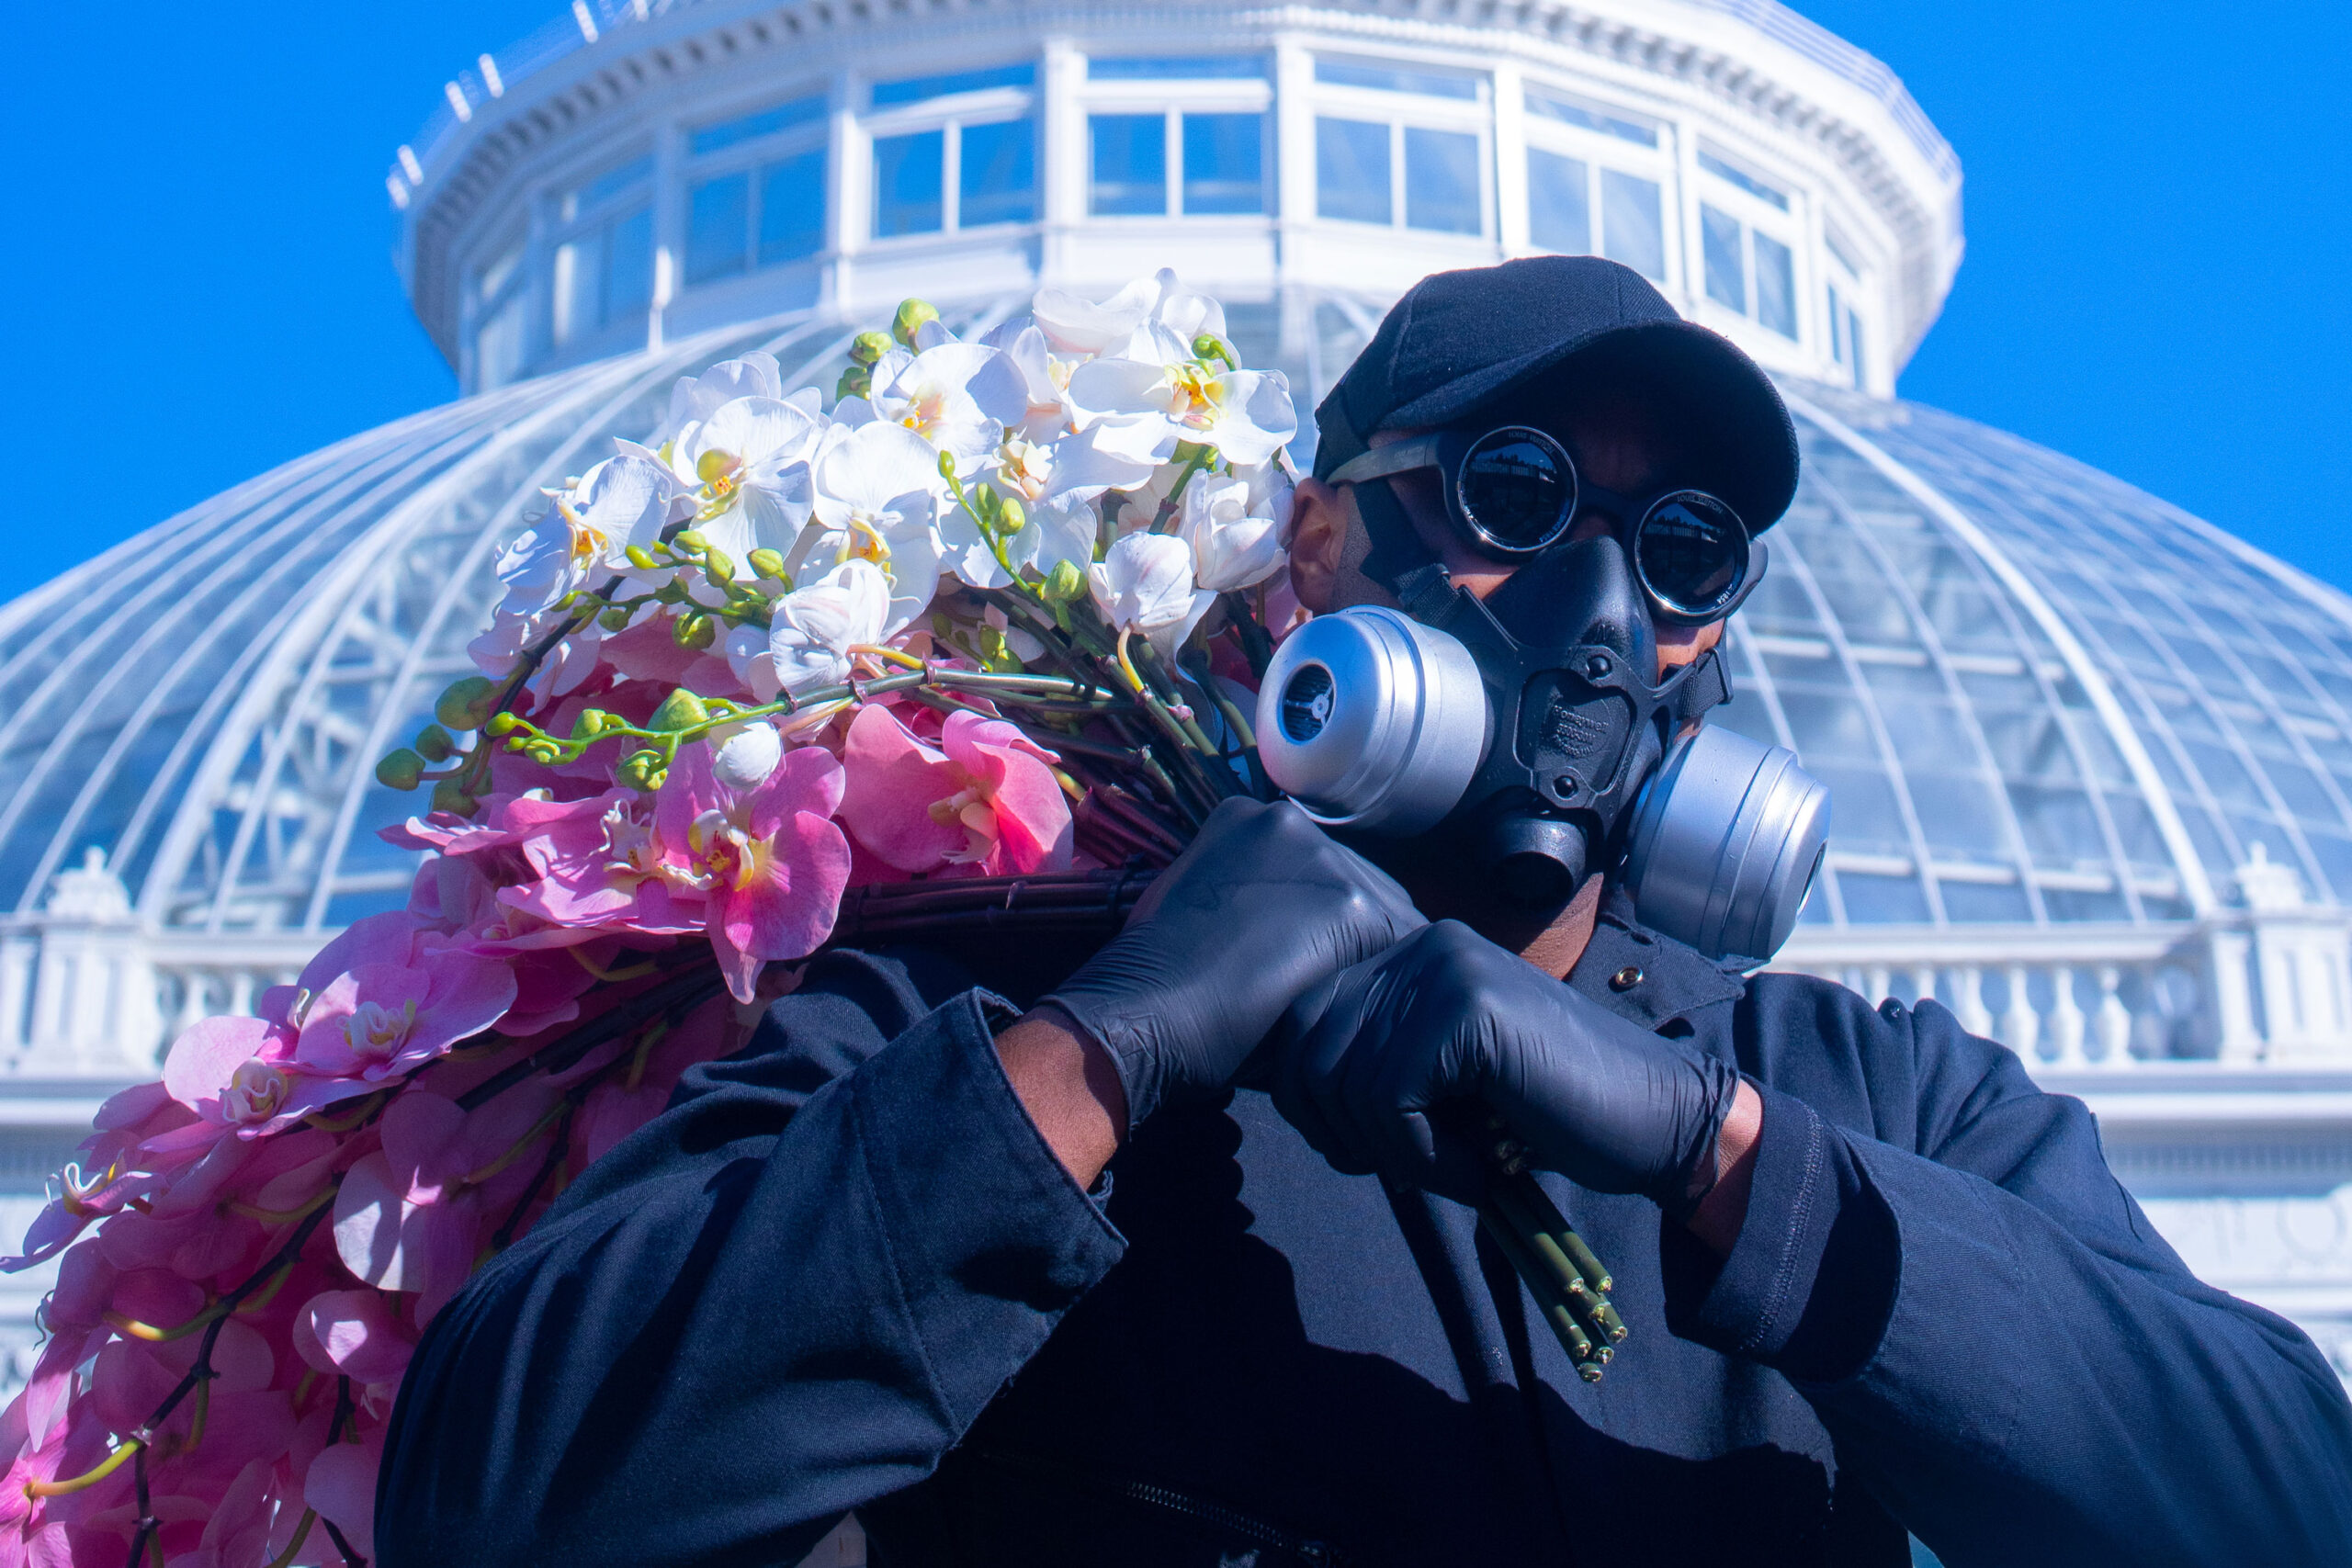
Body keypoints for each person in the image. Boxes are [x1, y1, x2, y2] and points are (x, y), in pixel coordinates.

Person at [376, 257, 2352, 1567]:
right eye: (1513, 498)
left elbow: (2285, 1502)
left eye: (1679, 552)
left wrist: (1721, 1154)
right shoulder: (974, 1004)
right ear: (1317, 547)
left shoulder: (1872, 1094)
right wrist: (1102, 1048)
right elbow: (506, 1499)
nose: (1600, 614)